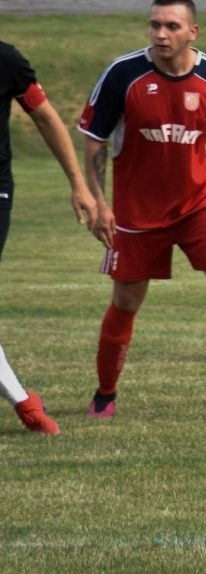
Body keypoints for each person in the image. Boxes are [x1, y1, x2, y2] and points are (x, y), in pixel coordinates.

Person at [78, 0, 206, 420]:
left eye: (172, 26)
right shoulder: (122, 74)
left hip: (201, 202)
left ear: (193, 31)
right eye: (155, 25)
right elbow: (95, 138)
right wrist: (98, 201)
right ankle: (105, 395)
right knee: (127, 300)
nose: (161, 34)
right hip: (136, 210)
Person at [0, 39, 95, 434]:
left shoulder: (5, 60)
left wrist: (78, 184)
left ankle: (23, 402)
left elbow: (45, 117)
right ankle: (23, 400)